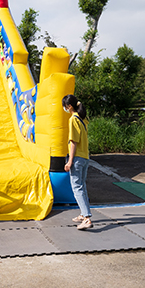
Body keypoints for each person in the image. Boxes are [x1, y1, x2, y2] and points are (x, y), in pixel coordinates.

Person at [62, 94, 93, 230]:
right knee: (82, 186)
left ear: (69, 107)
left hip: (78, 158)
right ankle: (83, 213)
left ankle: (86, 218)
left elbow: (73, 142)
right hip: (85, 157)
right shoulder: (83, 118)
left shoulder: (73, 119)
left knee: (77, 187)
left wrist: (70, 161)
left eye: (64, 106)